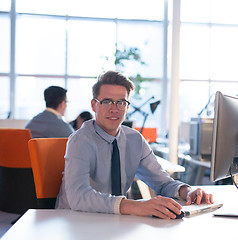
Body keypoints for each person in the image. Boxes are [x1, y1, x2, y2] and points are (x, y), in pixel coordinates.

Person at [56, 70, 214, 219]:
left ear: (127, 106)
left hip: (114, 222)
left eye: (121, 102)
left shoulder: (135, 140)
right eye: (107, 102)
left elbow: (162, 182)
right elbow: (78, 196)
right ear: (93, 105)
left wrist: (187, 191)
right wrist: (136, 206)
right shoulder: (80, 140)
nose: (114, 109)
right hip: (75, 221)